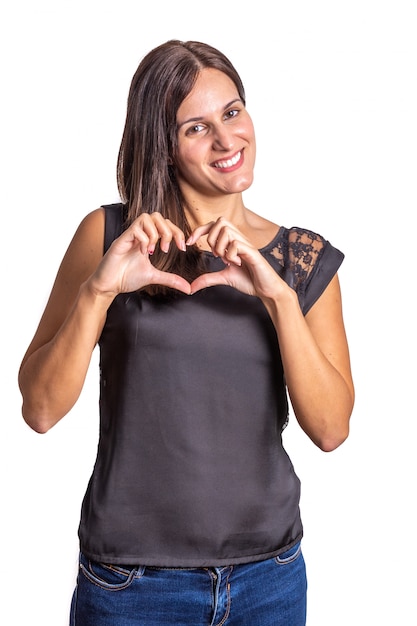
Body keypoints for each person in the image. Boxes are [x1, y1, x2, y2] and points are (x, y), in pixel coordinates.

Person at [18, 40, 354, 626]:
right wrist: (100, 292)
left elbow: (330, 430)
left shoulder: (301, 261)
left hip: (268, 581)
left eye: (232, 112)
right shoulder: (109, 237)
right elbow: (41, 410)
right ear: (162, 147)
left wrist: (276, 294)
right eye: (196, 127)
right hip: (130, 586)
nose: (227, 140)